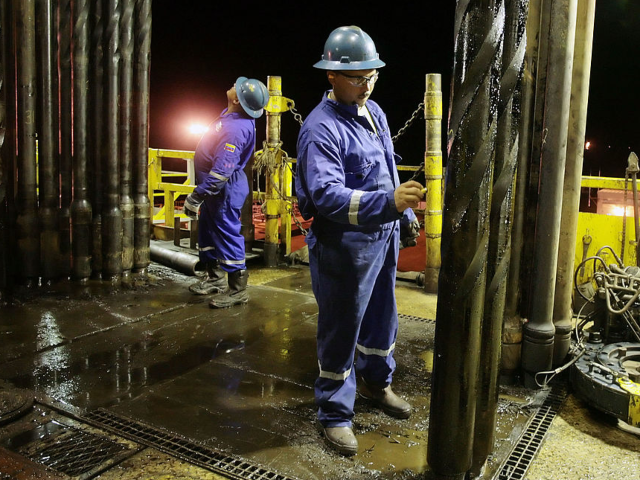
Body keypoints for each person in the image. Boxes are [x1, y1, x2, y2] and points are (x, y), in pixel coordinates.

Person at [295, 26, 423, 456]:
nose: (366, 85)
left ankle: (375, 384)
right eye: (357, 78)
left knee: (382, 317)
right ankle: (334, 412)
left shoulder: (375, 112)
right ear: (331, 76)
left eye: (372, 76)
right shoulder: (320, 130)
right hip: (344, 246)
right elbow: (328, 196)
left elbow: (385, 166)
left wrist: (401, 214)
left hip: (381, 237)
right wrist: (389, 203)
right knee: (342, 326)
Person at [184, 77, 269, 309]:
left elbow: (222, 171)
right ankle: (215, 278)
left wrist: (197, 195)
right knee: (209, 231)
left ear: (237, 99)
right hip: (215, 191)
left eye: (236, 87)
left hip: (223, 190)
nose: (232, 85)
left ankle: (237, 290)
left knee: (227, 234)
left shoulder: (235, 129)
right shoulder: (232, 116)